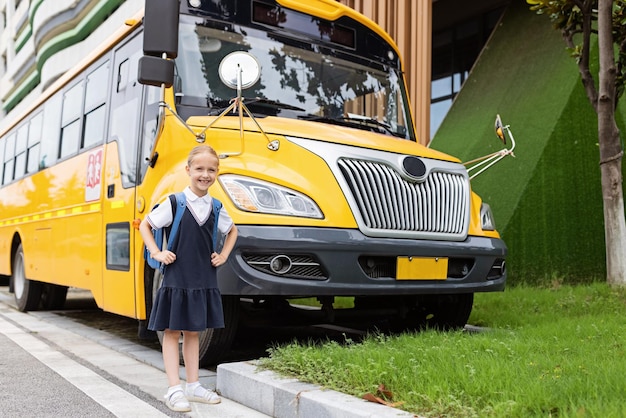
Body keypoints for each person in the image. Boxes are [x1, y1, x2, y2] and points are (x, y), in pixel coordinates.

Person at [139, 145, 238, 412]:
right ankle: (174, 389)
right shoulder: (175, 203)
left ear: (217, 172)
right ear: (188, 170)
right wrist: (157, 252)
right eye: (199, 169)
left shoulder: (216, 207)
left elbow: (232, 231)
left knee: (193, 332)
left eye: (211, 170)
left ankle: (193, 386)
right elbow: (145, 225)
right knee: (172, 332)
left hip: (203, 279)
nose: (205, 174)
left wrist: (223, 256)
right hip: (176, 278)